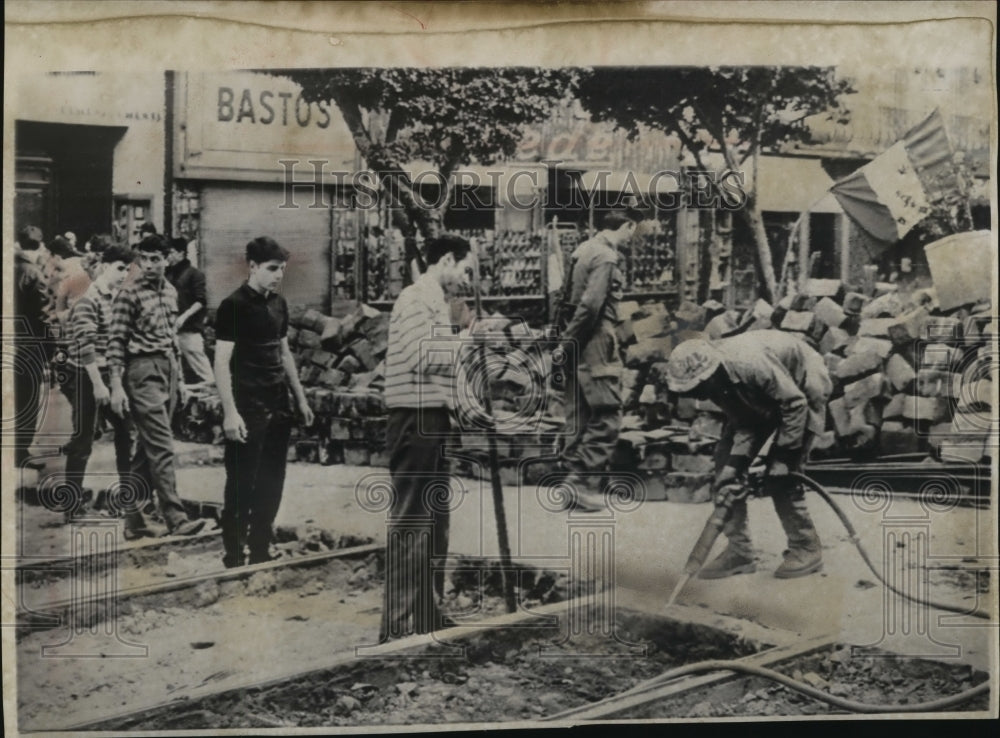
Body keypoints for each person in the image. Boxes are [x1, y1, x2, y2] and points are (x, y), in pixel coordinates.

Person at [665, 331, 833, 579]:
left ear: (710, 373)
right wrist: (735, 465)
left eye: (697, 387)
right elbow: (745, 421)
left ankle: (805, 547)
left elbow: (795, 404)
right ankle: (739, 552)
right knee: (724, 473)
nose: (696, 395)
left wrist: (784, 457)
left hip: (803, 384)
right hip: (765, 391)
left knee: (782, 478)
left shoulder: (748, 364)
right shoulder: (715, 382)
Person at [381, 233, 474, 639]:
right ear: (447, 261)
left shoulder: (436, 301)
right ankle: (397, 627)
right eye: (465, 269)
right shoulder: (415, 298)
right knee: (411, 523)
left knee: (435, 524)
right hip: (413, 417)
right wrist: (467, 343)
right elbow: (421, 355)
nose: (467, 280)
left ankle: (425, 614)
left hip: (433, 418)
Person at [213, 237, 314, 568]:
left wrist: (300, 400)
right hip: (248, 407)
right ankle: (233, 557)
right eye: (272, 269)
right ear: (252, 266)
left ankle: (259, 551)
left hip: (278, 405)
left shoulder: (278, 304)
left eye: (282, 270)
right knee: (242, 483)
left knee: (273, 481)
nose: (277, 276)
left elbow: (284, 353)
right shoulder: (233, 306)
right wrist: (230, 413)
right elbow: (221, 362)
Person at [108, 234, 205, 539]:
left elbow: (172, 339)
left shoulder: (171, 292)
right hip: (141, 371)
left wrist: (183, 382)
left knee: (146, 452)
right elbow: (116, 342)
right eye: (144, 259)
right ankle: (176, 517)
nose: (149, 265)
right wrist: (116, 387)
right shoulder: (129, 294)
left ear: (168, 260)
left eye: (156, 259)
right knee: (162, 446)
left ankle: (134, 519)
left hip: (168, 369)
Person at [556, 209, 639, 511]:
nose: (633, 236)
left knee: (579, 415)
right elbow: (591, 306)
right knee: (606, 416)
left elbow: (564, 301)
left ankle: (572, 484)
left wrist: (565, 342)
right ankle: (578, 483)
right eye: (633, 229)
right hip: (596, 343)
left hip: (577, 344)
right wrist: (569, 341)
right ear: (627, 226)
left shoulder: (582, 251)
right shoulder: (606, 257)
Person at [59, 246, 134, 517]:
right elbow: (84, 346)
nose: (123, 274)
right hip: (85, 374)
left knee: (127, 432)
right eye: (119, 268)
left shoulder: (117, 296)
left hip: (109, 374)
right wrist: (99, 385)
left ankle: (128, 498)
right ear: (104, 266)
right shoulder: (89, 299)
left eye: (127, 269)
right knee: (83, 439)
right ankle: (71, 505)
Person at [13, 226, 52, 471]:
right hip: (28, 346)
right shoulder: (33, 273)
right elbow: (43, 314)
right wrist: (51, 349)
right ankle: (20, 451)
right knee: (27, 399)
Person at [165, 237, 214, 384]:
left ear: (181, 253)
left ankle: (214, 401)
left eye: (172, 252)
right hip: (171, 331)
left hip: (189, 330)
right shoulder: (168, 274)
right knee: (175, 372)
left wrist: (184, 317)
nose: (169, 256)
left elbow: (201, 301)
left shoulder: (195, 274)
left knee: (203, 370)